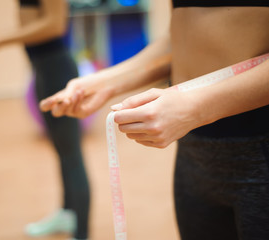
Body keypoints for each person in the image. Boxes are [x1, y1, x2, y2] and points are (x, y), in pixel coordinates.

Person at [40, 1, 269, 239]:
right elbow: (183, 36)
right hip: (193, 151)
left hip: (260, 149)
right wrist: (108, 81)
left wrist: (196, 108)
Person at [0, 1, 90, 240]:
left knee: (72, 156)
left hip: (58, 71)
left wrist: (0, 40)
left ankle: (82, 233)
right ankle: (67, 214)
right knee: (62, 152)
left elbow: (55, 25)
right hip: (42, 72)